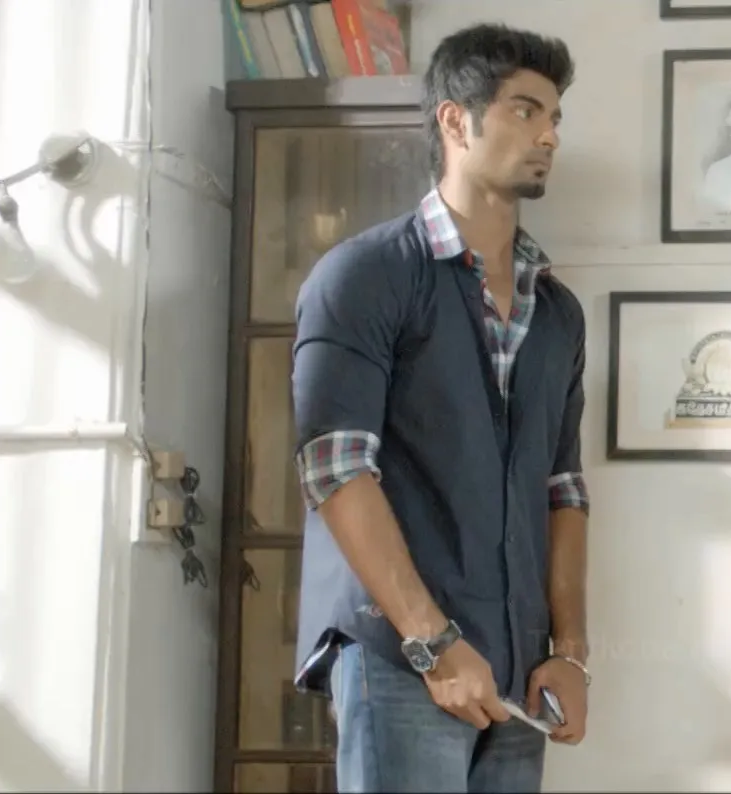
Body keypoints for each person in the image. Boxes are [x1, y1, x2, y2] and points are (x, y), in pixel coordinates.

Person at [289, 24, 591, 793]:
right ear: (456, 120)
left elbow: (563, 490)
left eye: (555, 117)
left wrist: (570, 652)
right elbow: (335, 471)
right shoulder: (365, 275)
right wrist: (431, 642)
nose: (550, 135)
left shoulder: (559, 313)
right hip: (400, 657)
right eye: (525, 110)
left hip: (518, 672)